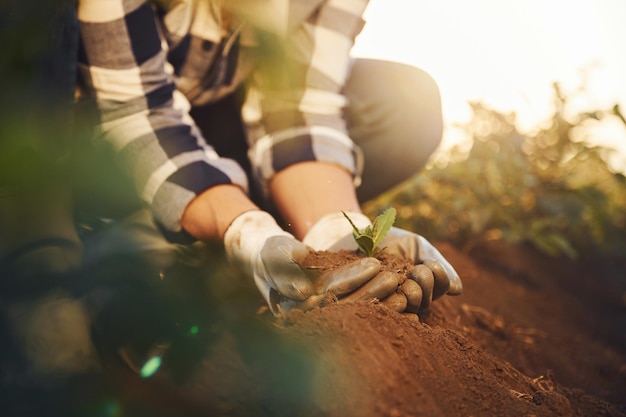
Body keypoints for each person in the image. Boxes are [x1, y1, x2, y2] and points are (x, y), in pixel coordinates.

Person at [76, 0, 462, 317]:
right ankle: (51, 236)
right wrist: (245, 231)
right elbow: (139, 113)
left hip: (205, 113)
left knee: (407, 102)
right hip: (78, 127)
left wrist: (335, 231)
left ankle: (247, 258)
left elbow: (299, 110)